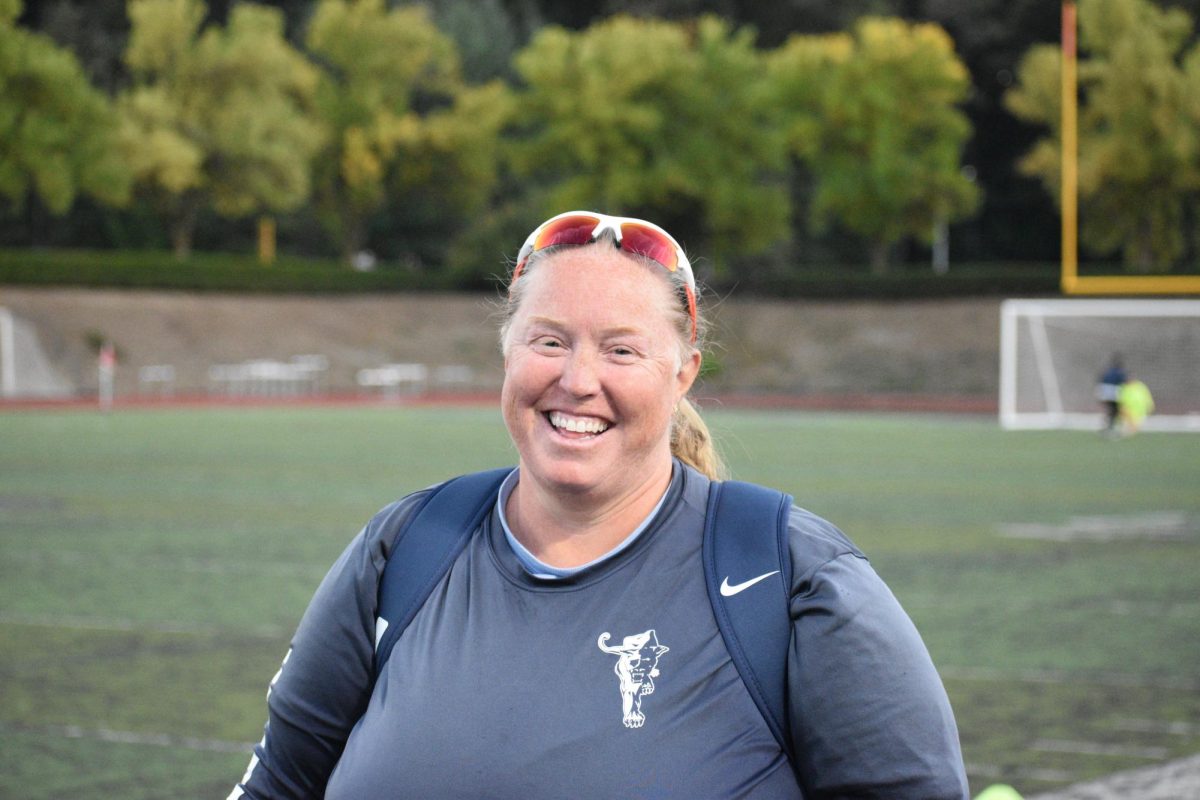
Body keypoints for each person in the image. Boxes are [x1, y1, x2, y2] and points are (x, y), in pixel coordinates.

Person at [229, 211, 968, 799]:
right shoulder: (407, 547)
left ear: (683, 373)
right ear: (507, 350)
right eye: (549, 340)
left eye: (621, 350)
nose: (578, 381)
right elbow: (278, 786)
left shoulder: (790, 576)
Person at [1096, 355, 1127, 434]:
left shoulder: (1107, 371)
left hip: (1105, 391)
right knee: (1115, 410)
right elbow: (1123, 382)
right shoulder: (1119, 372)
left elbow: (1100, 380)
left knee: (1110, 409)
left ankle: (1107, 426)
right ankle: (1112, 427)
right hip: (1113, 392)